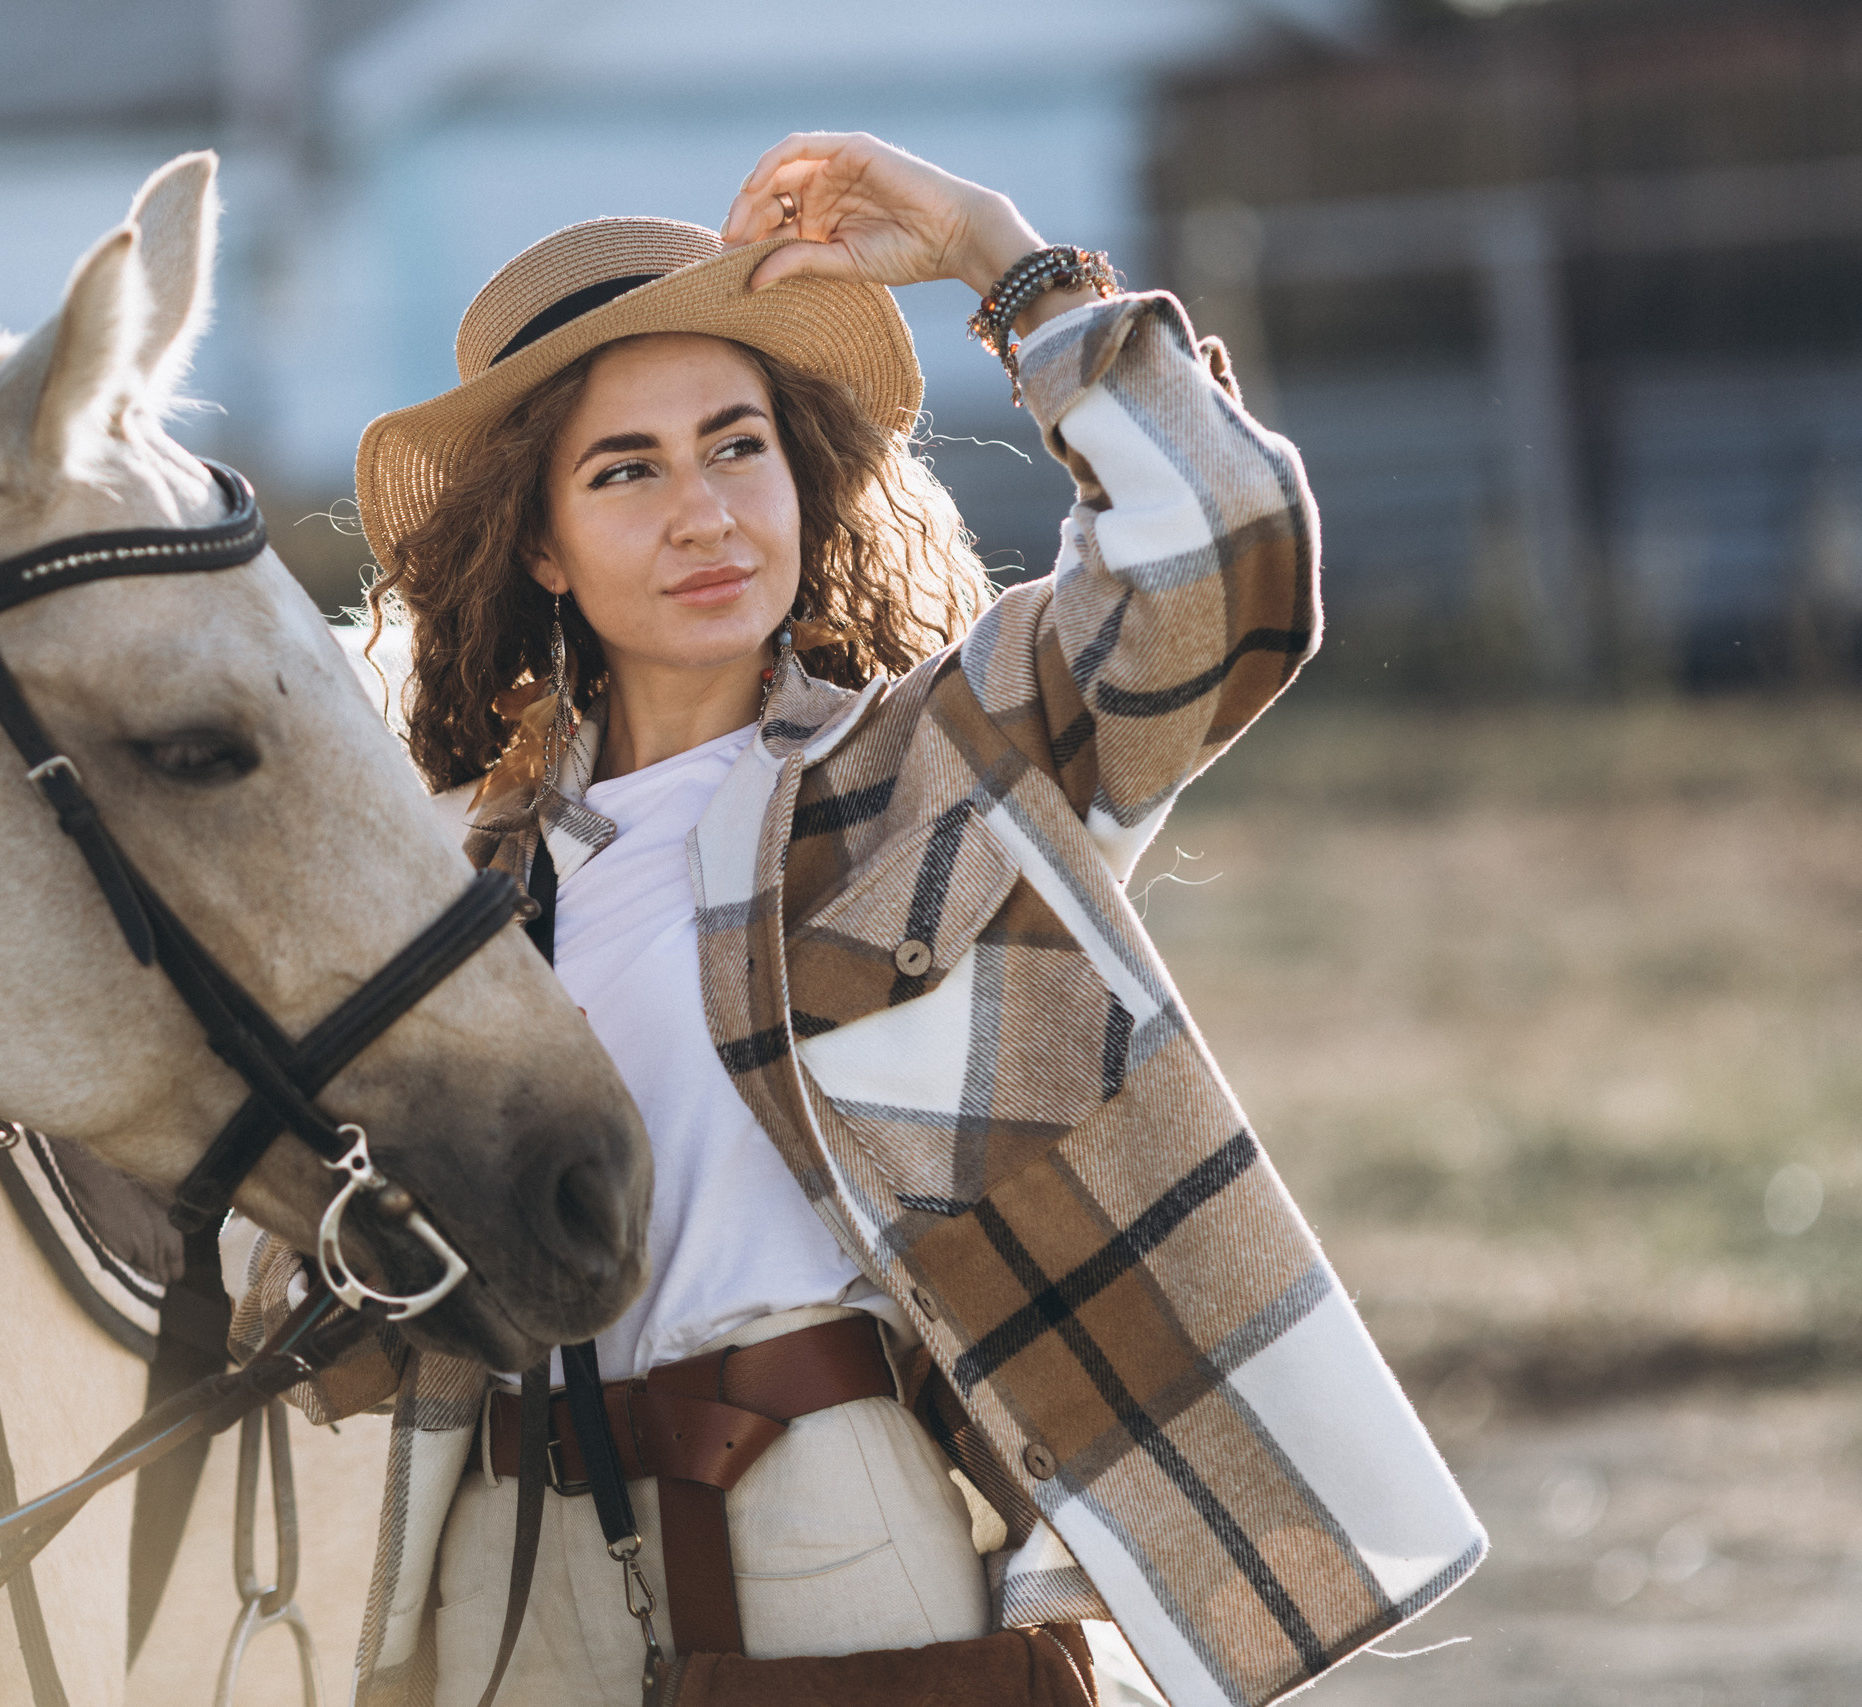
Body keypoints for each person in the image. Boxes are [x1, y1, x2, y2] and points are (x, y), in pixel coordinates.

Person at [230, 133, 1483, 1707]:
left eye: (736, 446)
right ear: (540, 541)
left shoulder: (933, 767)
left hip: (821, 1517)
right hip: (488, 1559)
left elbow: (1222, 561)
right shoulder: (438, 873)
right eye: (627, 469)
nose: (703, 513)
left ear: (802, 478)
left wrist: (997, 254)